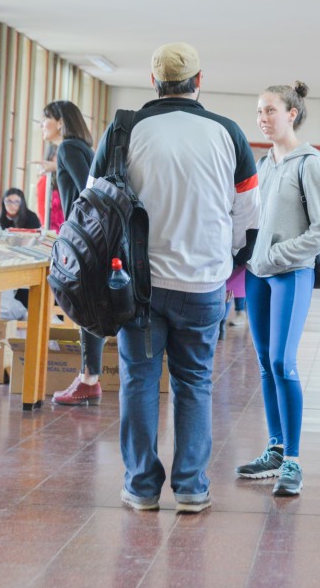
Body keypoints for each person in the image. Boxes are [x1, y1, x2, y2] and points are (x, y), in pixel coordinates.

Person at [91, 42, 258, 513]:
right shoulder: (229, 133)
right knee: (195, 382)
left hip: (139, 287)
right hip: (204, 285)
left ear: (153, 82)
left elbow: (93, 199)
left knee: (140, 381)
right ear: (199, 81)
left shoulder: (127, 127)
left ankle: (142, 487)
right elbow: (249, 215)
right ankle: (190, 486)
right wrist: (226, 259)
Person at [238, 81, 320, 497]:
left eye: (270, 110)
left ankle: (293, 460)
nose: (263, 118)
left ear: (292, 113)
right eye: (259, 111)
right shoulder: (265, 164)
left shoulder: (308, 163)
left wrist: (276, 256)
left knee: (283, 362)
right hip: (257, 275)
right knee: (264, 362)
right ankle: (274, 448)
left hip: (291, 272)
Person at [37, 99, 108, 406]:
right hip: (85, 238)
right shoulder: (73, 149)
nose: (42, 125)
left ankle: (89, 379)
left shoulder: (68, 148)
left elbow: (86, 191)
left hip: (83, 241)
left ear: (61, 122)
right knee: (85, 307)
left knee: (85, 308)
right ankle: (87, 378)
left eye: (46, 119)